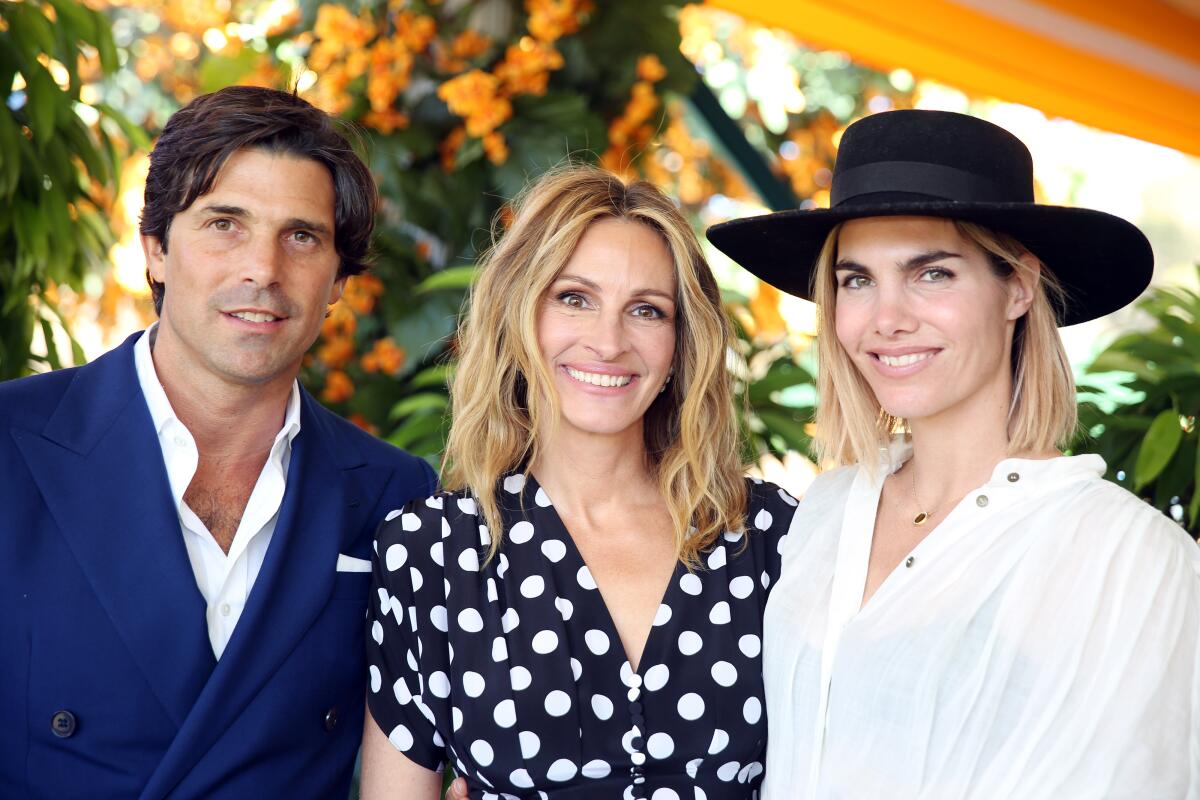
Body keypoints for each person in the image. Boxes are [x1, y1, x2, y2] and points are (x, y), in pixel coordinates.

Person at [707, 109, 1200, 798]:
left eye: (931, 274)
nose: (887, 317)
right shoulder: (824, 513)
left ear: (1018, 287)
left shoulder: (1128, 557)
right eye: (856, 280)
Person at [0, 86, 436, 799]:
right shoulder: (10, 445)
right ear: (156, 249)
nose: (262, 270)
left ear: (338, 284)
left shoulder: (393, 495)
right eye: (225, 224)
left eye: (302, 236)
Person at [359, 165, 798, 799]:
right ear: (520, 313)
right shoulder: (431, 550)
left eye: (647, 310)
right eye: (574, 298)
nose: (609, 341)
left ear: (682, 344)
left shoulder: (768, 536)